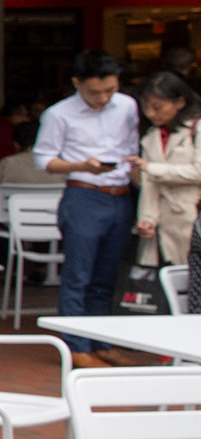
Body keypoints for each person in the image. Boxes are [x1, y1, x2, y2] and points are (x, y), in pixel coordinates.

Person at [38, 50, 142, 368]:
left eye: (110, 90)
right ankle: (76, 346)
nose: (102, 98)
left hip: (121, 195)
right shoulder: (59, 114)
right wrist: (81, 165)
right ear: (76, 83)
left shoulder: (127, 105)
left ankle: (102, 341)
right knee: (78, 275)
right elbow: (43, 159)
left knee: (107, 276)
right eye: (94, 92)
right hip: (83, 193)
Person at [132, 70, 200, 299]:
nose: (151, 113)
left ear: (180, 102)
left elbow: (199, 172)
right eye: (146, 107)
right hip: (162, 223)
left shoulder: (197, 128)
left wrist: (152, 168)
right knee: (164, 290)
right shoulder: (150, 136)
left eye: (158, 107)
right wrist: (146, 219)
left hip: (192, 217)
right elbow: (149, 185)